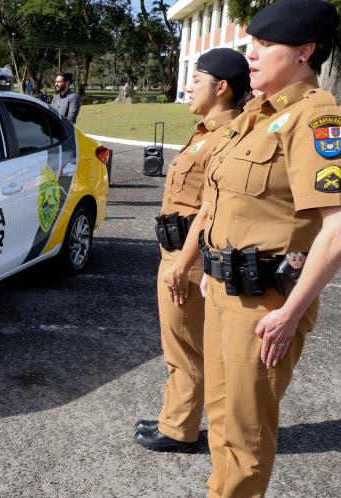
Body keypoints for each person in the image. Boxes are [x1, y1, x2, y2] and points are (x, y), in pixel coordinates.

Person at [163, 1, 341, 498]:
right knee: (224, 414)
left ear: (304, 52)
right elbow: (225, 200)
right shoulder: (257, 114)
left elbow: (340, 230)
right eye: (252, 44)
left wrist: (291, 312)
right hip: (226, 289)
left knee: (248, 423)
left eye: (265, 46)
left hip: (267, 304)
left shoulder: (317, 119)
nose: (251, 55)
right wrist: (210, 264)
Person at [134, 49, 249, 453]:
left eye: (196, 80)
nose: (188, 87)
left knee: (185, 346)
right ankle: (175, 415)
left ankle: (179, 428)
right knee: (179, 342)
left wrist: (183, 264)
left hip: (190, 256)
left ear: (222, 87)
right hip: (177, 249)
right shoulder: (206, 131)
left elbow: (209, 209)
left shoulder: (227, 136)